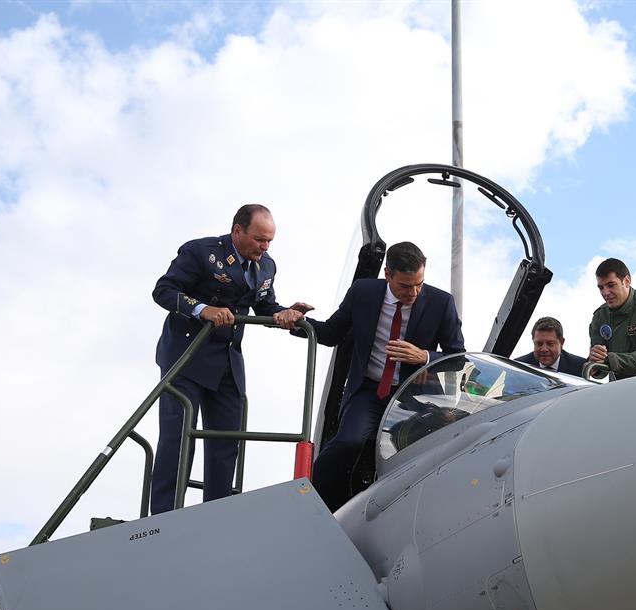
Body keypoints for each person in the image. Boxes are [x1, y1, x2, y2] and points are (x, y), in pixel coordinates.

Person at [150, 204, 312, 514]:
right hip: (186, 356)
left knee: (226, 441)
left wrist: (285, 314)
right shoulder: (201, 252)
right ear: (237, 231)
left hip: (227, 361)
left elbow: (264, 306)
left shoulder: (266, 266)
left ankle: (218, 514)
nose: (264, 248)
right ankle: (163, 516)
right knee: (178, 439)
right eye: (259, 240)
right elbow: (163, 290)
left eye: (269, 241)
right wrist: (202, 309)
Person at [307, 241, 465, 510]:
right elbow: (331, 333)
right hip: (369, 392)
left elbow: (458, 357)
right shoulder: (363, 293)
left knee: (427, 455)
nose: (413, 292)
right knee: (348, 442)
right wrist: (296, 322)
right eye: (405, 286)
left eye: (419, 284)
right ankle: (315, 504)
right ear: (387, 275)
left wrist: (424, 357)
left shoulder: (441, 303)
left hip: (413, 398)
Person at [515, 316, 587, 377]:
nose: (544, 349)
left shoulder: (581, 368)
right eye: (539, 344)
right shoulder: (518, 368)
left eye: (550, 344)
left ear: (561, 343)